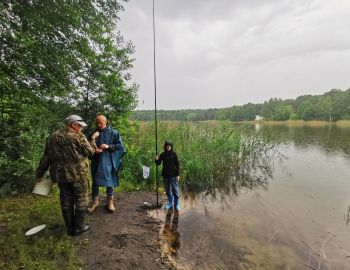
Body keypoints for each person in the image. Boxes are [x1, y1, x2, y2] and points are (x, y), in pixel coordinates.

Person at [36, 115, 99, 236]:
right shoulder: (79, 137)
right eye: (80, 126)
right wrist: (93, 140)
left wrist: (40, 173)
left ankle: (69, 228)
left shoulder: (53, 136)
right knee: (81, 199)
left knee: (66, 200)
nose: (81, 128)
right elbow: (90, 152)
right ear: (73, 124)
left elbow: (46, 156)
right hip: (78, 175)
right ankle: (78, 228)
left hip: (60, 175)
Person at [88, 115, 125, 213]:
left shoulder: (114, 133)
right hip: (97, 160)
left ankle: (110, 202)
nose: (99, 125)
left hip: (109, 161)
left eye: (101, 123)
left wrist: (108, 146)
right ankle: (94, 202)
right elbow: (87, 147)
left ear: (106, 122)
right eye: (97, 123)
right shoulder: (94, 133)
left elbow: (120, 147)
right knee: (95, 181)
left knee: (110, 181)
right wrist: (94, 150)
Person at [155, 140, 181, 211]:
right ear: (165, 146)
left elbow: (178, 165)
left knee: (175, 190)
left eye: (169, 145)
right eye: (167, 145)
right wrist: (156, 160)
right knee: (168, 190)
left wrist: (178, 175)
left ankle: (177, 205)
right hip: (165, 175)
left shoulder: (174, 154)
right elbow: (158, 163)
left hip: (173, 175)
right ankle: (170, 203)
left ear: (171, 146)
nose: (168, 147)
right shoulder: (163, 154)